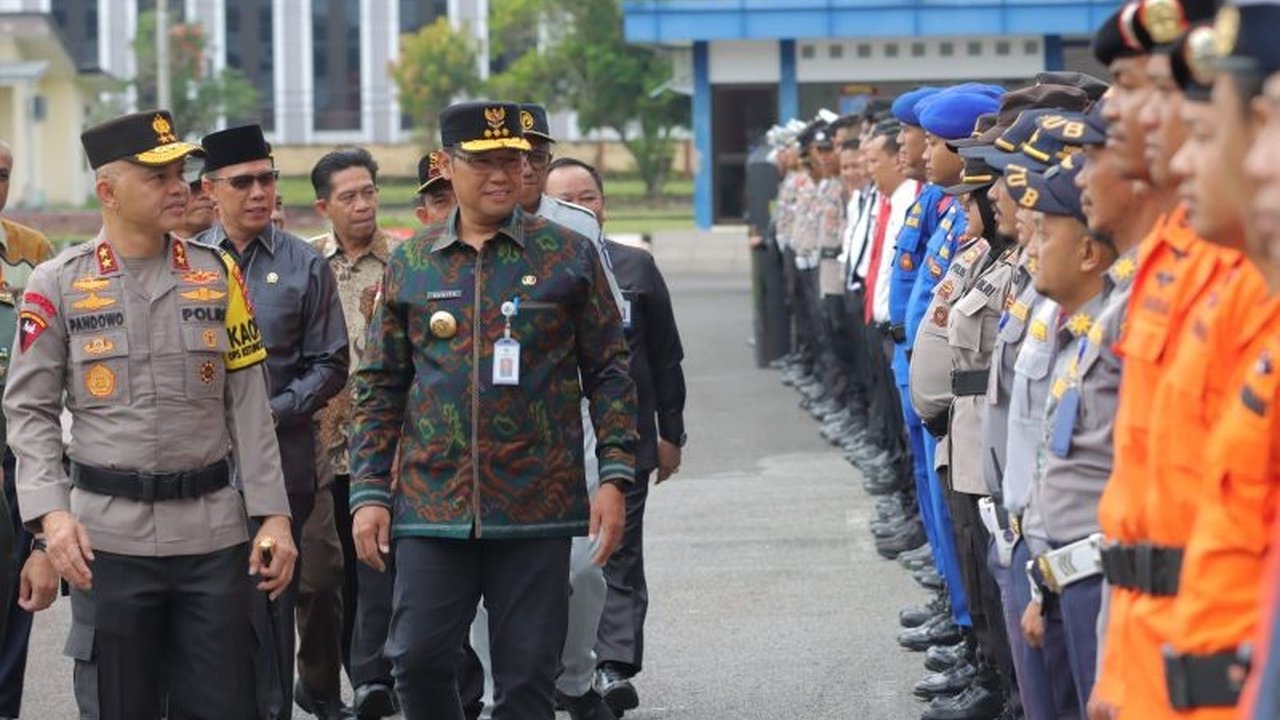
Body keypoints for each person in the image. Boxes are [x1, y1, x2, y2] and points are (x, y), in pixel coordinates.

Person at [2, 108, 297, 719]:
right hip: (107, 541)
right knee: (119, 706)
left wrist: (274, 516)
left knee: (224, 706)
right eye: (157, 176)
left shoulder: (218, 278)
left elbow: (248, 405)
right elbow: (28, 410)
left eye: (180, 174)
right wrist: (49, 519)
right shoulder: (56, 284)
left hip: (213, 537)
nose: (179, 188)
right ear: (108, 190)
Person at [349, 100, 637, 720]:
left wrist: (614, 476)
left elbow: (611, 371)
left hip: (536, 505)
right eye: (483, 162)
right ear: (449, 167)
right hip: (432, 506)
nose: (501, 174)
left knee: (529, 678)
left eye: (512, 159)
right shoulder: (414, 262)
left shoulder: (568, 255)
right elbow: (379, 385)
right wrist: (370, 490)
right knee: (417, 661)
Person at [194, 123, 350, 720]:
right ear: (211, 190)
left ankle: (290, 699)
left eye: (267, 179)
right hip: (205, 469)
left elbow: (330, 363)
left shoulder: (304, 265)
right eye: (243, 182)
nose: (259, 192)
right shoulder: (192, 264)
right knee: (217, 611)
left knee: (288, 597)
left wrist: (266, 414)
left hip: (286, 466)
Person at [544, 157, 688, 717]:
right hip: (553, 441)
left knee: (617, 552)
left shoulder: (637, 267)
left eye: (591, 197)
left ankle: (612, 665)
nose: (583, 209)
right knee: (561, 564)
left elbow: (664, 357)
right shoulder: (541, 270)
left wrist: (670, 433)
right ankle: (565, 663)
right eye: (568, 201)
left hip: (623, 438)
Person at [303, 146, 399, 720]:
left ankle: (374, 679)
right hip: (323, 451)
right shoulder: (308, 265)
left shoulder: (409, 261)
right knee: (333, 576)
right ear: (323, 206)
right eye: (348, 197)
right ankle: (347, 675)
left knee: (383, 568)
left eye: (369, 192)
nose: (362, 205)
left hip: (390, 450)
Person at [0, 138, 55, 720]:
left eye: (2, 174)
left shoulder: (30, 252)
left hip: (14, 458)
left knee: (11, 615)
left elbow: (45, 361)